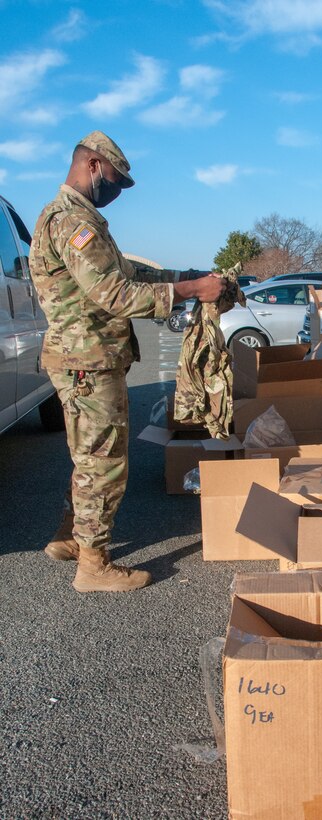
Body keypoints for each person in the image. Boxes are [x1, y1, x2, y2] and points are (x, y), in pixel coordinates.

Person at [29, 131, 225, 593]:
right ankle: (93, 565)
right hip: (88, 360)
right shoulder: (73, 222)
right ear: (94, 165)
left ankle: (70, 538)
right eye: (117, 180)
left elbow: (132, 274)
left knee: (87, 455)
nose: (118, 192)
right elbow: (116, 294)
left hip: (83, 358)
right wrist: (192, 293)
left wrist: (188, 276)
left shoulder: (76, 219)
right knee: (105, 461)